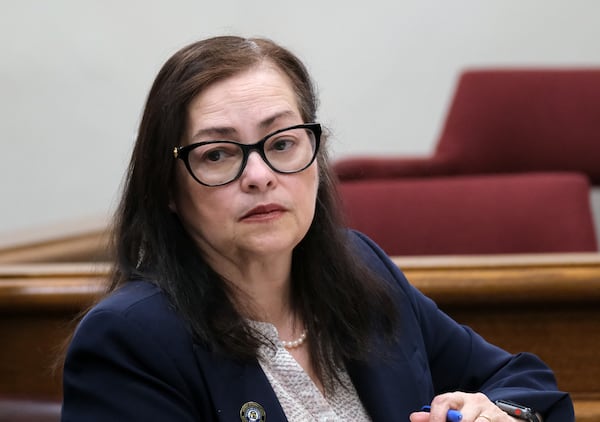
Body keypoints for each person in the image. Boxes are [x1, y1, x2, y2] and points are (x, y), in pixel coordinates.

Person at [61, 36, 574, 422]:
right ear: (168, 188)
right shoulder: (128, 340)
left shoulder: (361, 271)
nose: (259, 176)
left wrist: (501, 412)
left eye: (282, 143)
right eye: (218, 154)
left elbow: (526, 382)